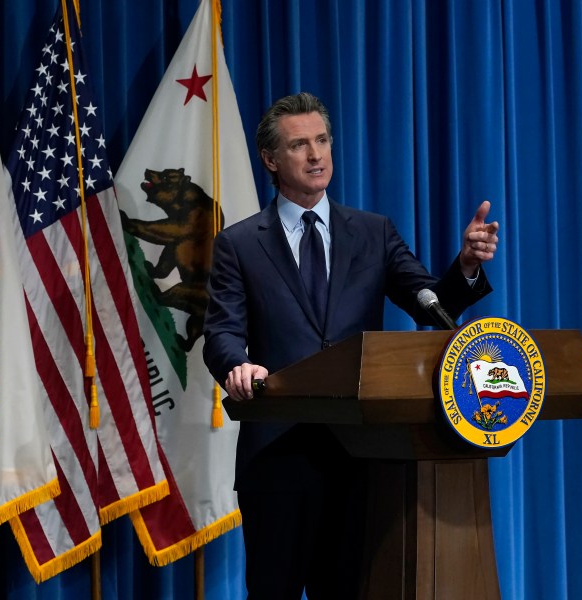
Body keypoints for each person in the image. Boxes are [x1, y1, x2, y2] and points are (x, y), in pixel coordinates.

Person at [202, 92, 499, 599]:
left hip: (361, 454)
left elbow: (432, 306)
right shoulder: (240, 243)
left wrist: (467, 265)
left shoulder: (373, 232)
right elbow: (222, 333)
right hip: (279, 453)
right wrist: (239, 366)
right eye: (300, 145)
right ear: (272, 160)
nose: (316, 154)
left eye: (322, 141)